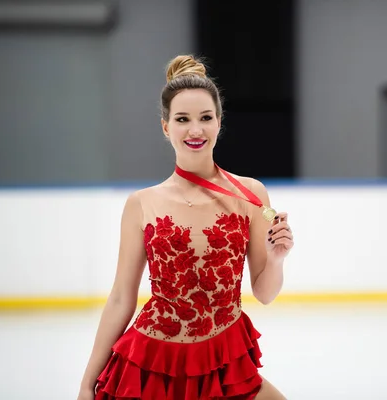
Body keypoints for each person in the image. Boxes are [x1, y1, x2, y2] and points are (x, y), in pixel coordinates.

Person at [77, 54, 294, 400]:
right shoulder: (141, 204)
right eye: (182, 119)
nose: (195, 130)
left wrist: (277, 258)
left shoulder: (251, 195)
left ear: (219, 122)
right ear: (166, 127)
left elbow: (265, 294)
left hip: (223, 367)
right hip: (153, 368)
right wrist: (88, 381)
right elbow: (120, 298)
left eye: (206, 118)